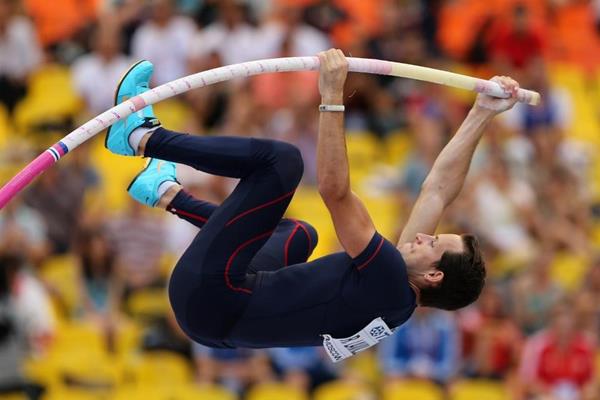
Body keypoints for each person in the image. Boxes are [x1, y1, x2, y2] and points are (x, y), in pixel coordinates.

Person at [102, 49, 519, 359]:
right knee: (298, 234)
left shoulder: (390, 278)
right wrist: (481, 113)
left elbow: (334, 190)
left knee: (281, 163)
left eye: (434, 243)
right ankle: (166, 193)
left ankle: (141, 137)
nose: (425, 235)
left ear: (432, 275)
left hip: (212, 297)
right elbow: (438, 190)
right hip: (215, 317)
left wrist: (332, 93)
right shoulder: (395, 296)